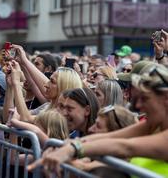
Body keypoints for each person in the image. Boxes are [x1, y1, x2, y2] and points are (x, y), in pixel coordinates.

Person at [28, 63, 168, 177]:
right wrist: (66, 145)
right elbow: (110, 137)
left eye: (144, 99)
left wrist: (71, 150)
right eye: (137, 99)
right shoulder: (153, 124)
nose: (137, 105)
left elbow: (124, 146)